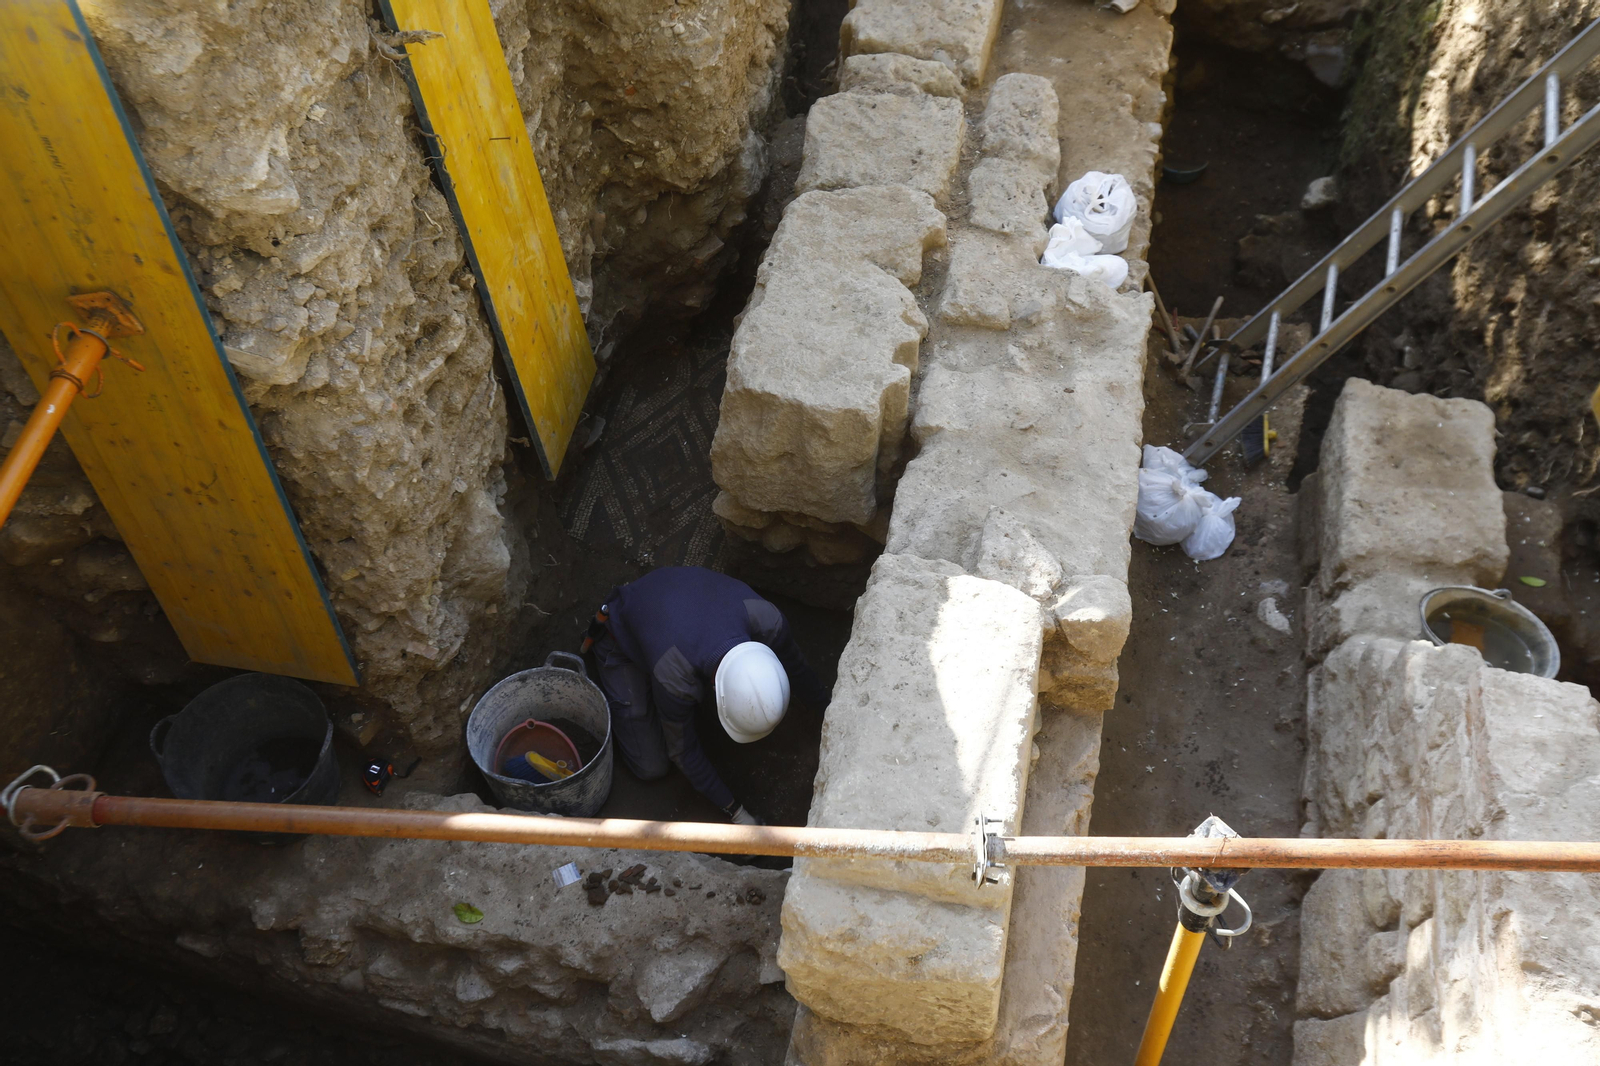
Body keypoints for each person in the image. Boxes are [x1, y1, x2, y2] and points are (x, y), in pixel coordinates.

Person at [586, 566, 829, 824]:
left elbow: (798, 668)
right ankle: (628, 664)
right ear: (715, 691)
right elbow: (683, 751)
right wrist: (736, 812)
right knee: (651, 766)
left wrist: (828, 710)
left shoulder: (769, 620)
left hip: (673, 601)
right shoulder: (674, 675)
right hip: (621, 630)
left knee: (676, 688)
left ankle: (651, 653)